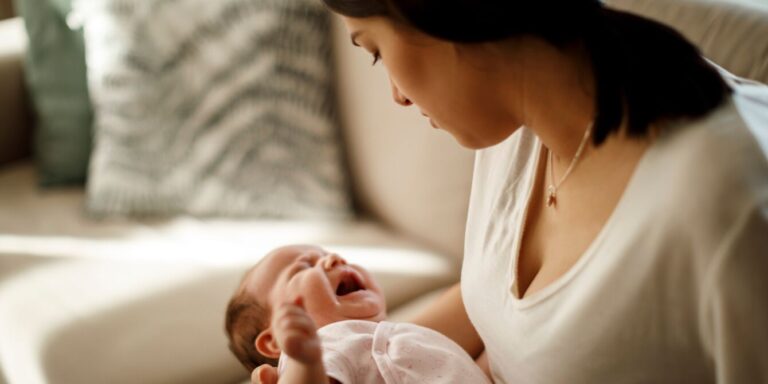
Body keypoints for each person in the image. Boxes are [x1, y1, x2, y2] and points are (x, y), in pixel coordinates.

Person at [242, 1, 768, 383]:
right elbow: (506, 310)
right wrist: (320, 361)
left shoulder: (725, 202)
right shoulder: (512, 124)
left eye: (375, 50)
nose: (397, 96)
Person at [226, 244, 492, 384]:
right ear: (274, 340)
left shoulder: (403, 340)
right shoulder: (327, 342)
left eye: (329, 254)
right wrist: (304, 360)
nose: (335, 260)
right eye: (303, 267)